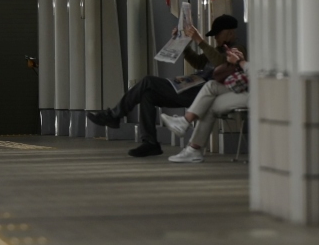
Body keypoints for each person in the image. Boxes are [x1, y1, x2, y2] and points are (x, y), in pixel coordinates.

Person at [86, 14, 241, 157]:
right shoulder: (217, 49)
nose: (215, 38)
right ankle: (150, 142)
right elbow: (199, 62)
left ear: (229, 33)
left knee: (148, 81)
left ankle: (114, 115)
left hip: (202, 93)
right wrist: (183, 45)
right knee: (148, 95)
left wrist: (200, 41)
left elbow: (221, 63)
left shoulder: (238, 50)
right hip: (192, 88)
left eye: (217, 35)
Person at [162, 45, 249, 163]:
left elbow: (260, 73)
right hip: (248, 88)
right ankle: (185, 124)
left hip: (256, 94)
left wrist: (240, 61)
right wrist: (241, 61)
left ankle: (193, 147)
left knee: (209, 104)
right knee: (211, 85)